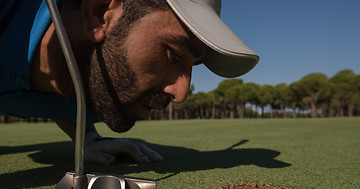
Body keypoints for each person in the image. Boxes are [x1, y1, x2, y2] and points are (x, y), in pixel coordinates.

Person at [0, 0, 259, 165]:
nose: (181, 94)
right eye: (174, 55)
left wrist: (87, 139)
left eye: (193, 66)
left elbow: (66, 87)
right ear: (100, 12)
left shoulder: (101, 90)